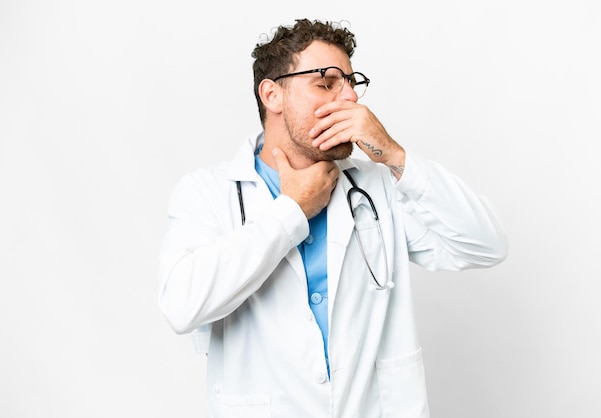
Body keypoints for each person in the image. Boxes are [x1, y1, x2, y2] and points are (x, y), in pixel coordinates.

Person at [159, 18, 507, 418]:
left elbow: (486, 245)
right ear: (272, 95)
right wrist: (292, 210)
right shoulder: (208, 192)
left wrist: (395, 155)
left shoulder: (377, 186)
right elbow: (182, 306)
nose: (350, 99)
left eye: (351, 83)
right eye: (326, 83)